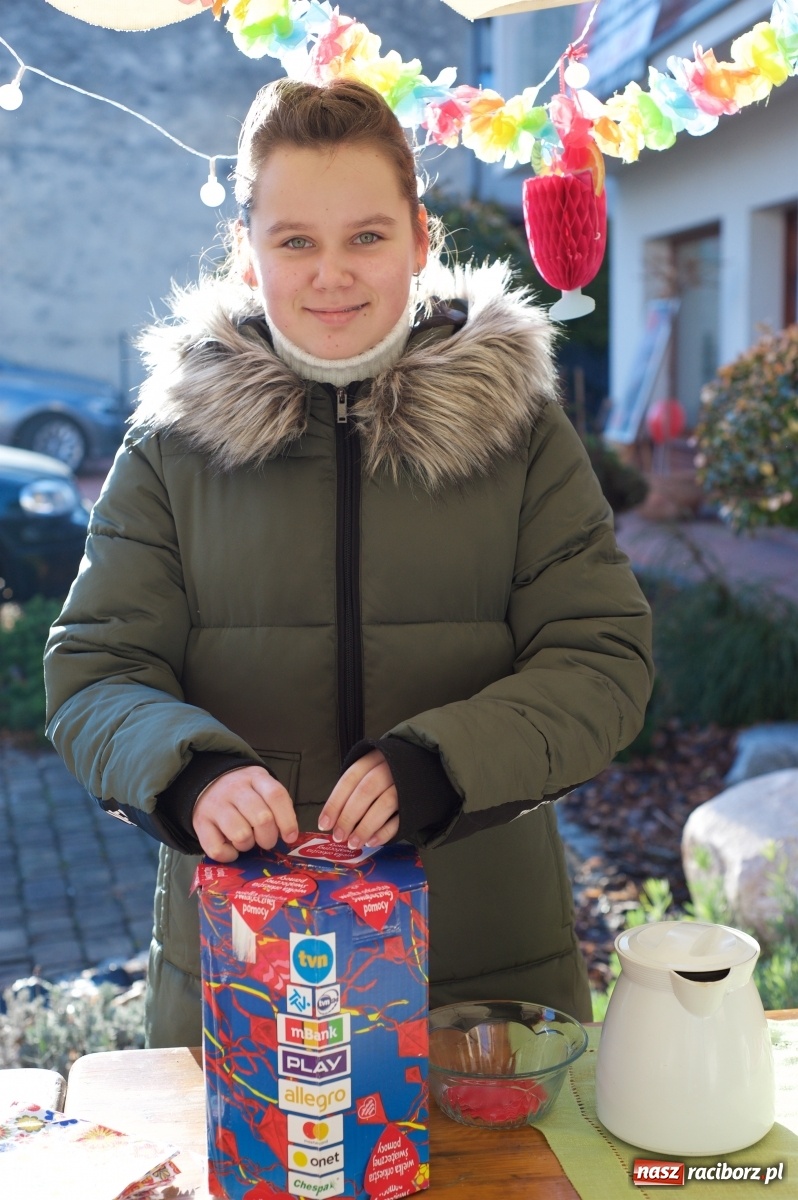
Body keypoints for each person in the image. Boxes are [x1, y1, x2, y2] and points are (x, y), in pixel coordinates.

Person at [44, 77, 653, 1048]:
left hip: (482, 970)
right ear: (248, 254)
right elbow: (94, 675)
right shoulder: (170, 445)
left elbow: (602, 660)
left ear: (420, 239)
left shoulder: (521, 431)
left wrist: (447, 762)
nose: (332, 273)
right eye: (296, 240)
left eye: (365, 236)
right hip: (243, 963)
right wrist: (190, 773)